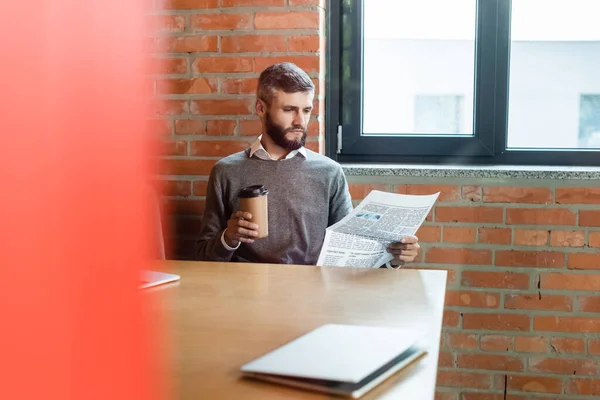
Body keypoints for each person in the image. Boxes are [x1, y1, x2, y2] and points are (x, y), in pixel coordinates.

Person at [193, 62, 420, 268]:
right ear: (261, 109)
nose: (300, 121)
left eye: (306, 110)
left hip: (314, 291)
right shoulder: (227, 171)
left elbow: (350, 253)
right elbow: (201, 256)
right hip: (249, 290)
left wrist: (394, 259)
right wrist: (228, 238)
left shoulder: (329, 173)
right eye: (289, 110)